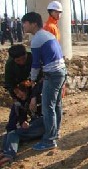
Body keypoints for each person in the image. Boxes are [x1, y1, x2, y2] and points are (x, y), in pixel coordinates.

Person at [21, 12, 66, 151]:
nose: (23, 25)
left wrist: (32, 80)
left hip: (52, 74)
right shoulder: (47, 35)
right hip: (61, 71)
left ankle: (49, 140)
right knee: (56, 104)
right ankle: (55, 132)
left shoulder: (37, 39)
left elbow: (35, 64)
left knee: (47, 107)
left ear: (33, 23)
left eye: (25, 22)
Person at [0, 80, 44, 166]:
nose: (18, 95)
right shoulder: (24, 101)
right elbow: (22, 115)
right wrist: (23, 121)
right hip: (35, 123)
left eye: (18, 92)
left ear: (24, 89)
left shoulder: (37, 97)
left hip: (43, 123)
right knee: (9, 134)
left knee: (14, 134)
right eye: (16, 94)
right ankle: (3, 152)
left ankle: (8, 156)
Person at [4, 45, 37, 132]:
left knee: (34, 104)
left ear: (26, 54)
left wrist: (34, 96)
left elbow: (40, 75)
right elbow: (9, 83)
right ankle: (12, 129)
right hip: (18, 85)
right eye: (18, 60)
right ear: (13, 59)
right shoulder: (10, 65)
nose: (22, 62)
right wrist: (16, 93)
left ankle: (35, 120)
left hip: (33, 83)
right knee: (18, 105)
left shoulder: (32, 57)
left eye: (23, 58)